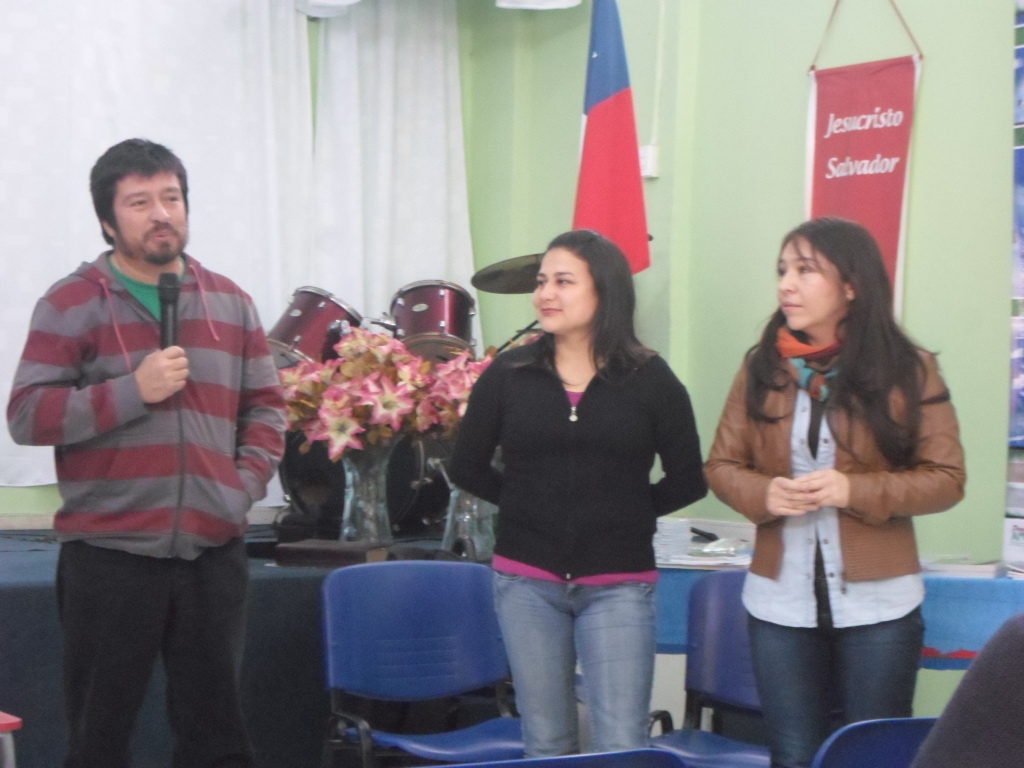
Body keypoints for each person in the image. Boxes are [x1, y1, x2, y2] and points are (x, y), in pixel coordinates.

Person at [6, 138, 287, 768]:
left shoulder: (230, 302)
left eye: (172, 197)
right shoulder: (71, 303)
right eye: (139, 202)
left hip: (212, 553)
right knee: (99, 740)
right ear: (108, 221)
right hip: (109, 556)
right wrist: (133, 390)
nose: (162, 214)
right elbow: (27, 415)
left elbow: (267, 408)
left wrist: (238, 489)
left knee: (218, 740)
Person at [704, 217, 966, 768]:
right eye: (782, 270)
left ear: (851, 285)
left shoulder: (908, 368)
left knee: (872, 756)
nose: (786, 285)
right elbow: (722, 466)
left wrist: (854, 488)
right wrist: (764, 493)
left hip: (880, 602)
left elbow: (946, 479)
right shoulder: (761, 367)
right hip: (779, 602)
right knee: (793, 755)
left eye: (805, 271)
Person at [450, 229, 707, 757]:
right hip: (526, 583)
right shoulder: (508, 373)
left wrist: (628, 512)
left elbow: (689, 479)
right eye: (541, 281)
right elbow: (466, 466)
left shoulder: (651, 379)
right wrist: (525, 504)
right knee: (547, 743)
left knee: (620, 744)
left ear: (604, 291)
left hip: (618, 585)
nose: (545, 293)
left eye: (563, 282)